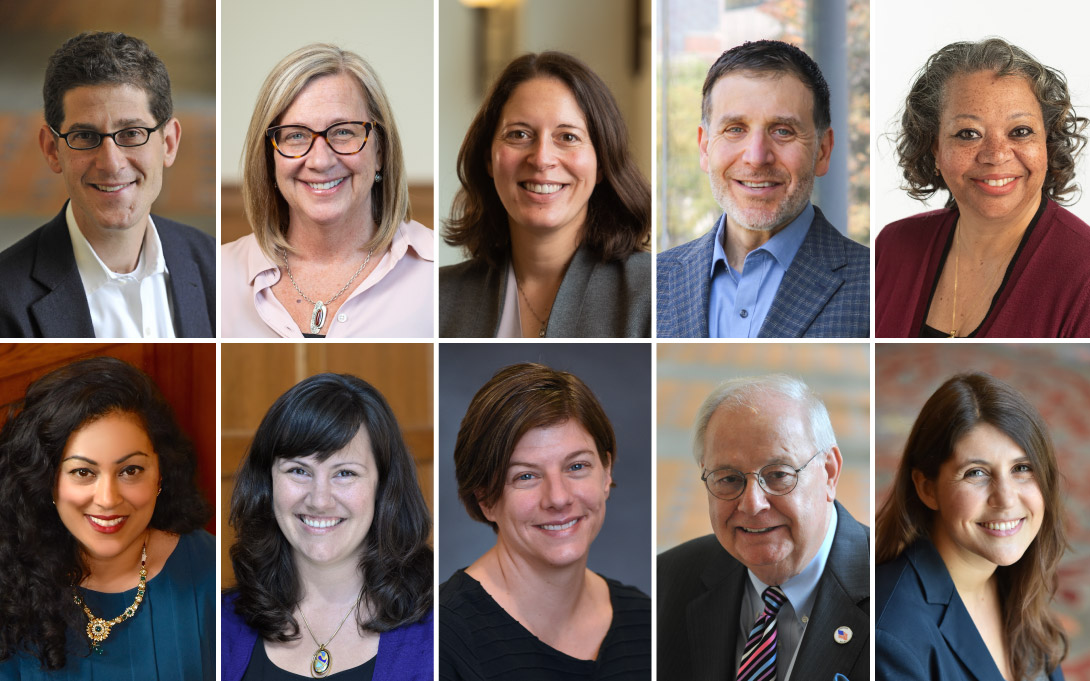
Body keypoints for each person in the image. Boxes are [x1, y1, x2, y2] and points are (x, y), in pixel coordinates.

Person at [0, 356, 214, 679]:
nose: (108, 499)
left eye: (130, 470)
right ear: (48, 480)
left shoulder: (211, 570)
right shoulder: (9, 582)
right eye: (83, 472)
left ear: (160, 473)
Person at [440, 363, 650, 679]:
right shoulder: (442, 638)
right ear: (486, 499)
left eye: (577, 467)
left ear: (606, 472)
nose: (558, 497)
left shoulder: (645, 619)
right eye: (526, 475)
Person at [0, 32, 215, 338]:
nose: (111, 163)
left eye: (131, 133)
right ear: (51, 150)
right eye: (85, 136)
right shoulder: (6, 297)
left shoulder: (217, 269)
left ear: (168, 143)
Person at [657, 374, 868, 680]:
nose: (753, 504)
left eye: (778, 474)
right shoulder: (667, 581)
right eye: (728, 478)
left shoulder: (889, 584)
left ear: (830, 473)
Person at [222, 373, 432, 680]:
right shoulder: (221, 623)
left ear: (383, 487)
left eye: (345, 473)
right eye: (298, 470)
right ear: (267, 483)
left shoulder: (439, 629)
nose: (319, 500)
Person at [875, 38, 1090, 338]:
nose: (996, 154)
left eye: (1021, 131)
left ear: (1047, 143)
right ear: (935, 148)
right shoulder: (893, 247)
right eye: (968, 133)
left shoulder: (1084, 273)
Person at [657, 40, 869, 339]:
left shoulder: (875, 286)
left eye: (782, 131)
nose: (756, 157)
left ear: (822, 151)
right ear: (705, 147)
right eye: (735, 129)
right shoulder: (652, 283)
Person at [221, 44, 433, 338]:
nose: (320, 161)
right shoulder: (215, 276)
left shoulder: (436, 274)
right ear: (270, 158)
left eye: (343, 131)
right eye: (296, 135)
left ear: (380, 150)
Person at [440, 52, 651, 338]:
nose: (541, 159)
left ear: (601, 162)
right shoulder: (439, 296)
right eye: (518, 134)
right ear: (489, 158)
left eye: (567, 137)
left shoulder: (652, 291)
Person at [876, 372, 1067, 680]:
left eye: (1022, 468)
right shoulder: (890, 637)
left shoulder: (1015, 580)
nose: (1005, 499)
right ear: (927, 488)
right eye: (976, 473)